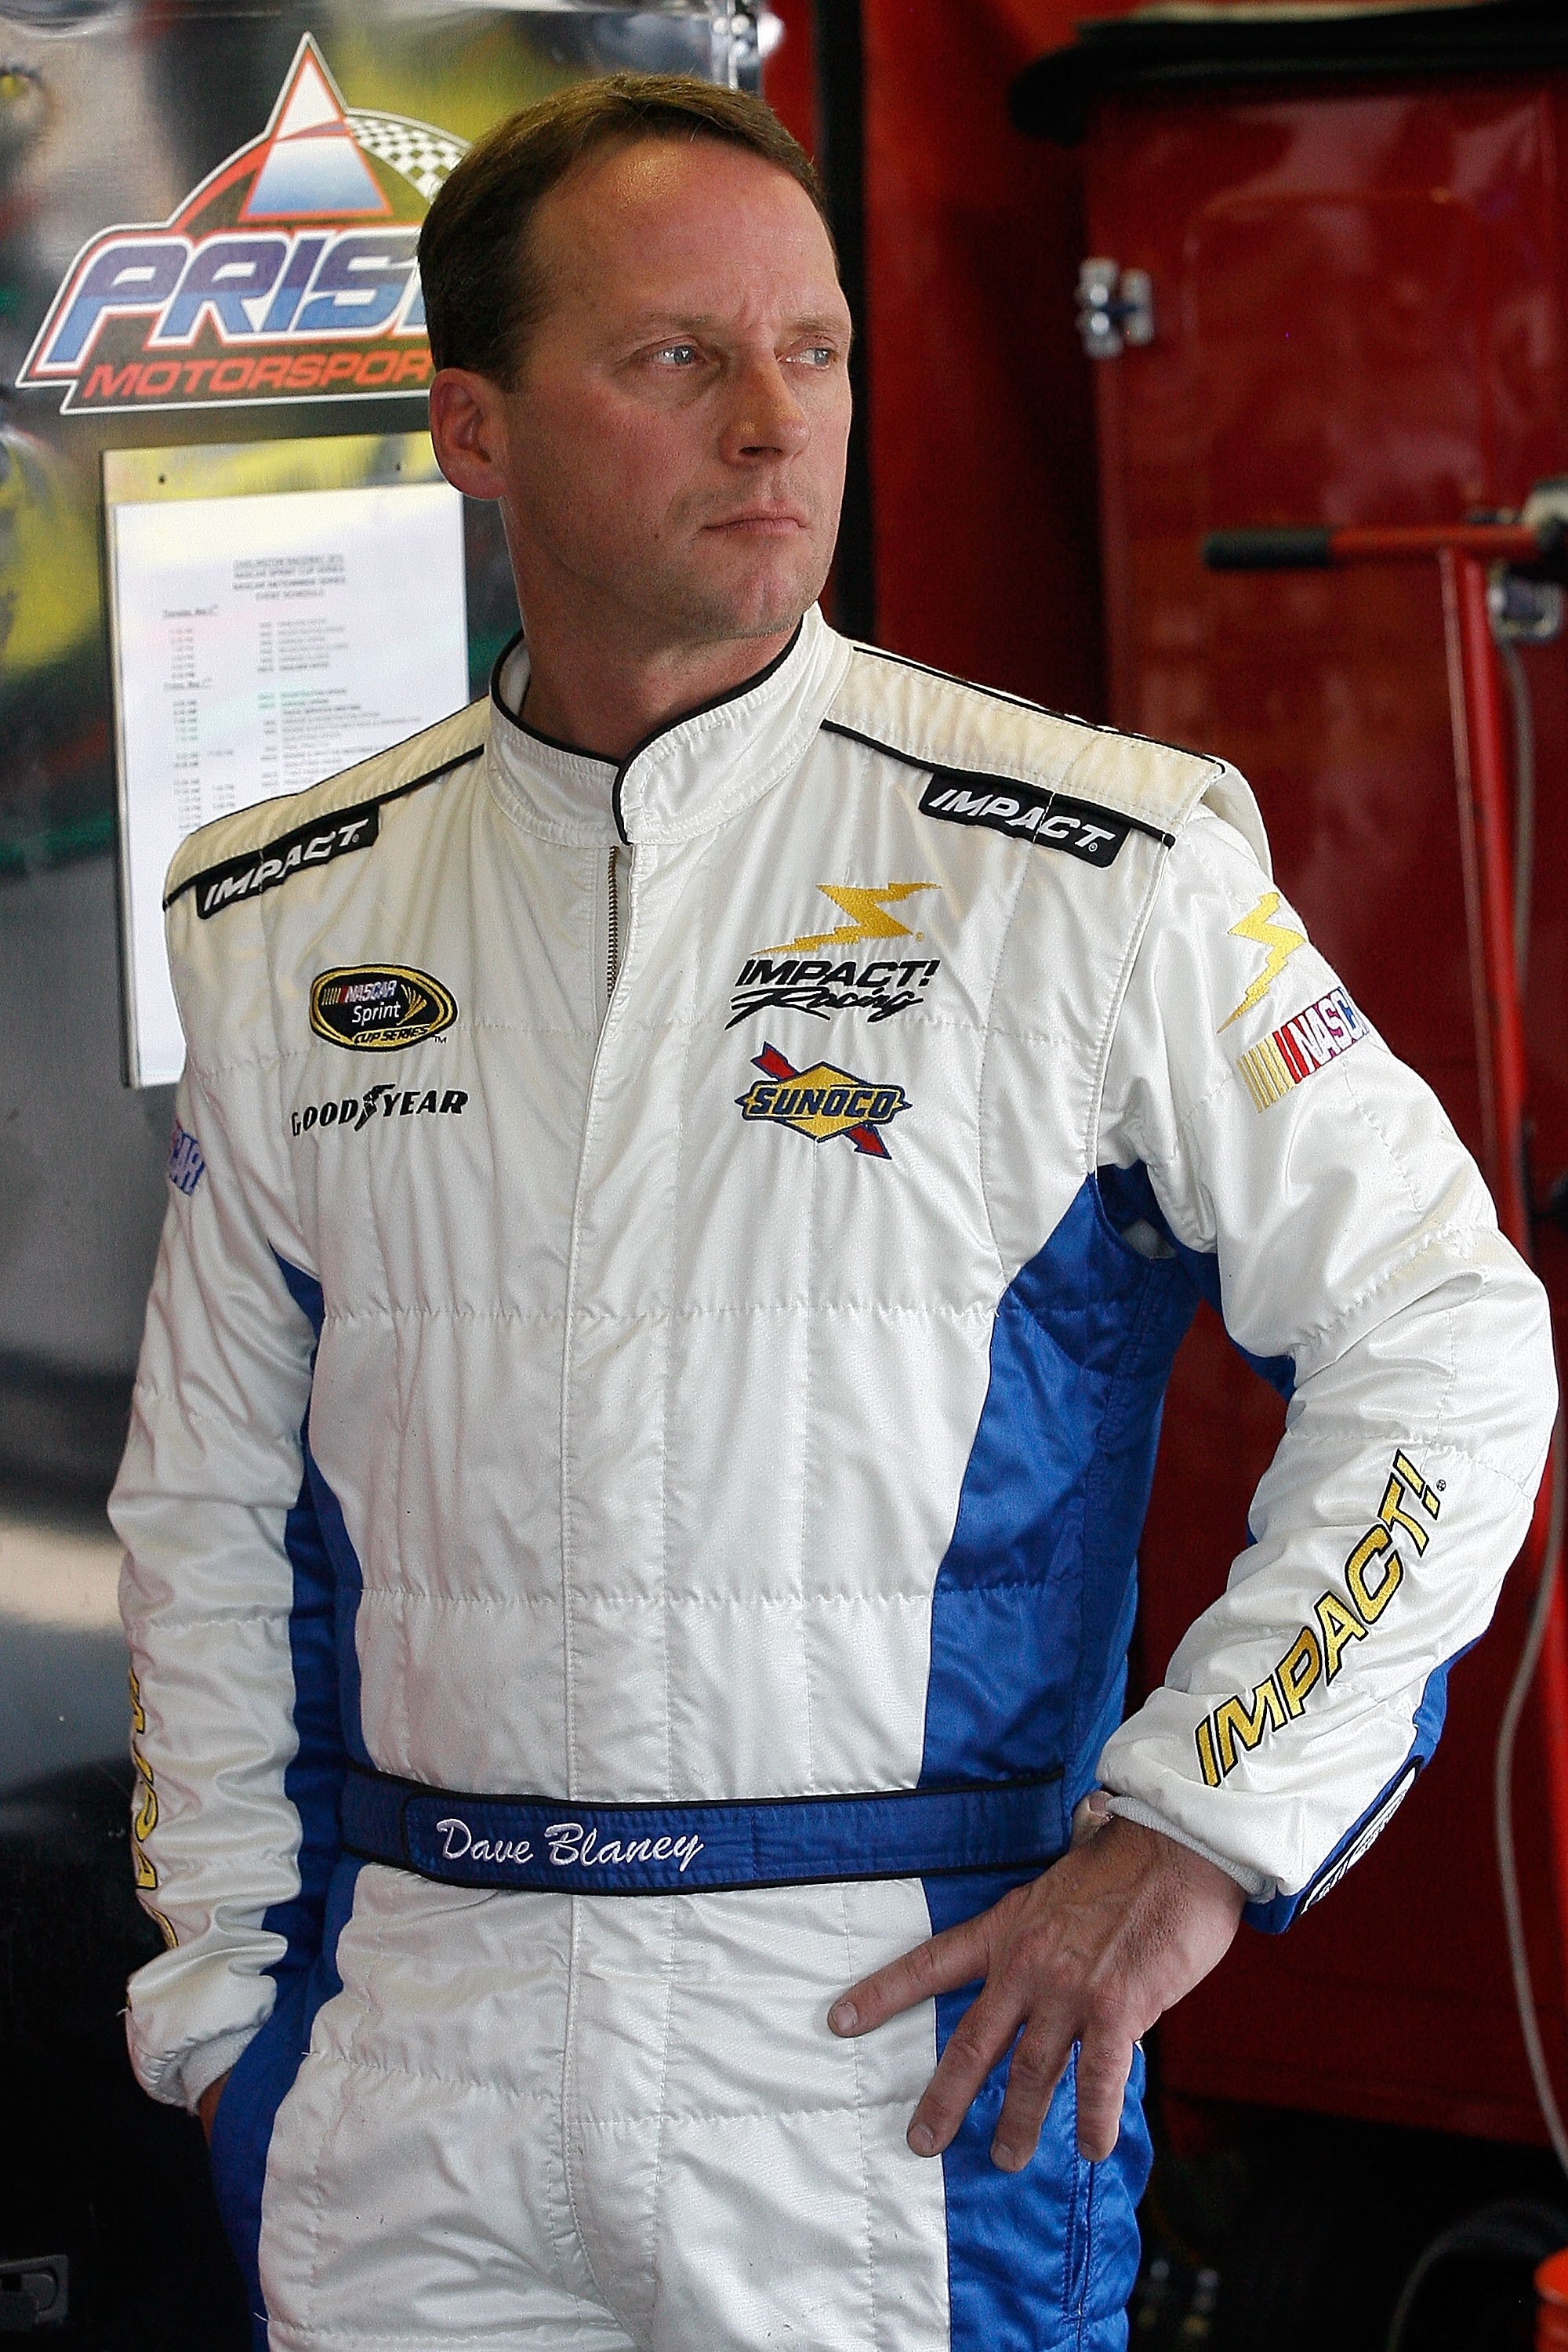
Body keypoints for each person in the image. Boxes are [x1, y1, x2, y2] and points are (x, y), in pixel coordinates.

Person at [112, 71, 1555, 2352]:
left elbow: (1453, 1351)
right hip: (414, 2055)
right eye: (677, 357)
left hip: (892, 2051)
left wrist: (1196, 1838)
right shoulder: (284, 910)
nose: (775, 425)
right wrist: (221, 2003)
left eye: (816, 349)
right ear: (473, 430)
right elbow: (206, 1511)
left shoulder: (1104, 867)